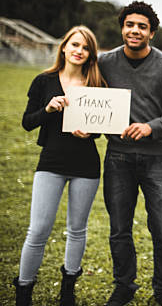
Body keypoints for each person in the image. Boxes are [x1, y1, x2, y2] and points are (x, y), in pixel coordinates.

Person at [98, 1, 162, 306]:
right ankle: (124, 285)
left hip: (157, 158)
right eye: (129, 25)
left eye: (142, 26)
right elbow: (91, 99)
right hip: (118, 157)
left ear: (151, 32)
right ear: (122, 28)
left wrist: (151, 127)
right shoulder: (105, 63)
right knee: (118, 228)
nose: (134, 30)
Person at [14, 26, 106, 306]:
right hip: (51, 162)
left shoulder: (97, 84)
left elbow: (102, 128)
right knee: (38, 229)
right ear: (64, 47)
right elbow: (28, 122)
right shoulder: (43, 81)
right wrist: (49, 110)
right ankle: (24, 290)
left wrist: (91, 132)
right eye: (75, 45)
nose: (79, 51)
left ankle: (68, 289)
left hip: (86, 165)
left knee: (77, 229)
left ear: (90, 54)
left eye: (85, 47)